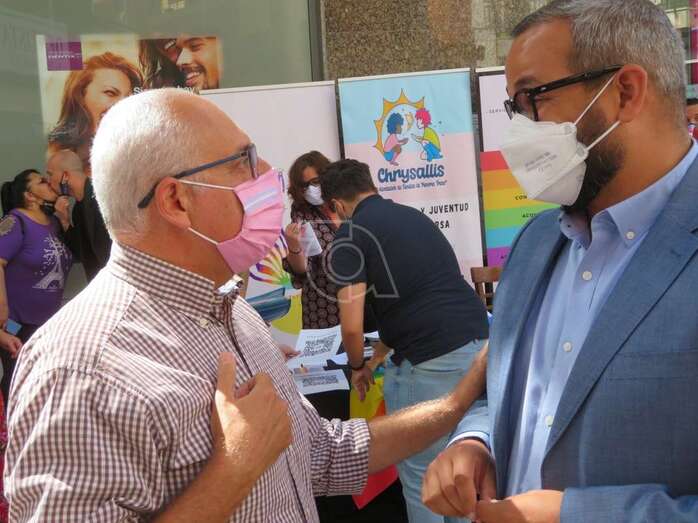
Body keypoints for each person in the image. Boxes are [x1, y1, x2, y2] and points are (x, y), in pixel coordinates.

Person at [4, 88, 489, 522]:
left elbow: (322, 453)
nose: (267, 173)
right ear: (176, 201)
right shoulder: (82, 369)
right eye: (244, 161)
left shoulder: (237, 315)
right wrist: (234, 470)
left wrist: (456, 402)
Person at [422, 1, 698, 522]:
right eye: (514, 107)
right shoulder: (535, 244)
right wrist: (476, 443)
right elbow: (511, 396)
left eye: (535, 98)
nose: (518, 132)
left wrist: (575, 514)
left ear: (625, 92)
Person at [320, 159, 489, 523]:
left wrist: (357, 367)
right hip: (479, 347)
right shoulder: (413, 217)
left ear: (336, 205)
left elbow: (352, 326)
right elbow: (419, 295)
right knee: (463, 474)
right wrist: (379, 353)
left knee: (422, 479)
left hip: (430, 360)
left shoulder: (351, 233)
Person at [0, 169, 72, 402]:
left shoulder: (53, 223)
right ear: (30, 196)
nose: (49, 183)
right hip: (16, 324)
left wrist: (64, 217)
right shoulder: (15, 221)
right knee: (18, 383)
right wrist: (1, 308)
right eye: (42, 181)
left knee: (46, 387)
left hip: (49, 324)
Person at [48, 52, 143, 173]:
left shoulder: (132, 163)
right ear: (80, 96)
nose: (123, 105)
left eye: (128, 98)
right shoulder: (50, 157)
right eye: (110, 93)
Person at [282, 151, 343, 329]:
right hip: (324, 308)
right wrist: (294, 247)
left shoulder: (347, 202)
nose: (311, 189)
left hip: (362, 301)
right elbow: (303, 270)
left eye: (315, 182)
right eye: (304, 186)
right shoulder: (302, 214)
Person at [46, 149, 111, 281]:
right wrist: (64, 220)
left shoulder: (102, 197)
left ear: (65, 175)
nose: (48, 181)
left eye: (50, 174)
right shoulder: (78, 209)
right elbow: (80, 254)